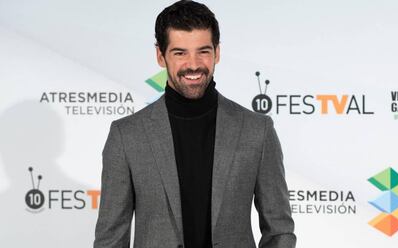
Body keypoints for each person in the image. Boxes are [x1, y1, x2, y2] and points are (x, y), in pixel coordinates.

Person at [93, 1, 296, 248]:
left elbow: (280, 231)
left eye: (203, 51)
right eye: (180, 53)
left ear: (217, 52)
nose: (193, 64)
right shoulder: (127, 136)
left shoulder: (257, 130)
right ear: (160, 56)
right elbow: (110, 239)